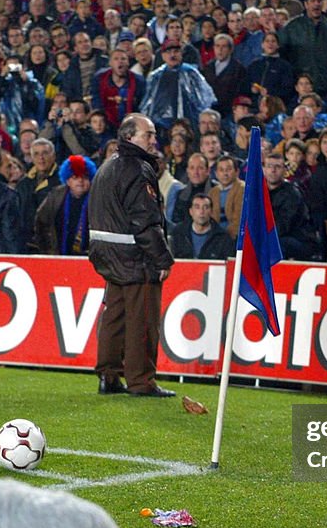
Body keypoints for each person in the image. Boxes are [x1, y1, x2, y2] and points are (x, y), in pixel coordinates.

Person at [87, 112, 175, 397]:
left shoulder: (107, 167)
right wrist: (162, 258)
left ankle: (108, 375)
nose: (153, 139)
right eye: (147, 134)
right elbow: (145, 221)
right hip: (136, 257)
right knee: (142, 321)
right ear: (129, 137)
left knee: (115, 317)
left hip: (107, 254)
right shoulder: (137, 169)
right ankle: (141, 381)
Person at [34, 154, 96, 255]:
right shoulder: (55, 195)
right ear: (67, 180)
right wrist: (47, 250)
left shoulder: (97, 197)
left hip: (89, 258)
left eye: (84, 177)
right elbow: (41, 222)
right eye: (75, 177)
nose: (80, 181)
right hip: (58, 256)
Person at [169, 192, 234, 260]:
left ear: (211, 211)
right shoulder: (178, 233)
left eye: (206, 207)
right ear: (191, 211)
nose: (201, 211)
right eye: (197, 207)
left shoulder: (223, 237)